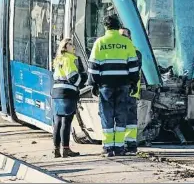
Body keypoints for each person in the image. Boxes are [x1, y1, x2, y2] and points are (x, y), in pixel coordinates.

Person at [87, 15, 139, 157]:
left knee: (107, 115)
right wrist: (134, 83)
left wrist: (94, 84)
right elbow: (134, 67)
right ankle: (120, 147)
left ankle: (108, 148)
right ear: (118, 27)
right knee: (121, 115)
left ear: (105, 27)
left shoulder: (99, 42)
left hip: (106, 86)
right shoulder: (126, 43)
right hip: (123, 85)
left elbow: (93, 67)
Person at [51, 38, 85, 158]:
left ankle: (56, 149)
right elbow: (73, 78)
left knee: (57, 122)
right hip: (68, 93)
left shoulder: (57, 60)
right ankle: (66, 149)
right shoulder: (70, 59)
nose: (73, 47)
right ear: (65, 47)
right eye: (70, 44)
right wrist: (83, 82)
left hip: (56, 93)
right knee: (66, 121)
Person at [120, 27, 143, 155]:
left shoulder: (135, 52)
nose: (122, 38)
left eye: (124, 35)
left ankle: (130, 143)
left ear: (130, 38)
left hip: (130, 91)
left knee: (130, 118)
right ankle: (122, 143)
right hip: (120, 90)